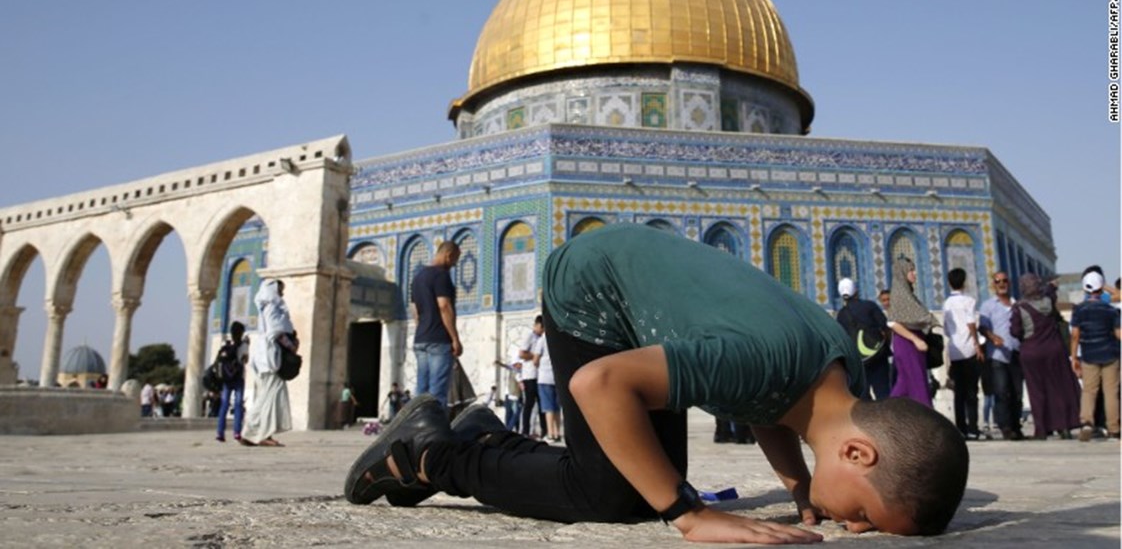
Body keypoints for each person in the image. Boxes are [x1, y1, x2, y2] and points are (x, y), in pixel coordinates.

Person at [345, 224, 968, 541]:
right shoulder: (762, 360)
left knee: (649, 479)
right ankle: (426, 454)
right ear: (858, 452)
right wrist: (689, 518)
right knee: (618, 497)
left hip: (647, 294)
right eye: (863, 513)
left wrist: (801, 485)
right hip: (595, 290)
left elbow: (770, 409)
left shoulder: (835, 375)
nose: (852, 527)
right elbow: (596, 384)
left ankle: (485, 437)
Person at [1008, 274, 1080, 439]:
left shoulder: (1020, 307)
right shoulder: (1048, 302)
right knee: (1058, 389)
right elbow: (1050, 292)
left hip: (1032, 352)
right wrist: (1052, 286)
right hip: (1054, 350)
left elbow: (1015, 331)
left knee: (1037, 391)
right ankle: (1064, 426)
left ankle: (1041, 429)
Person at [241, 279, 296, 447]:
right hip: (270, 357)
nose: (282, 294)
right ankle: (258, 433)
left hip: (265, 356)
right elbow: (275, 331)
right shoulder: (271, 307)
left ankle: (255, 433)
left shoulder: (266, 307)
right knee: (270, 396)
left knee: (267, 396)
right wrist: (291, 345)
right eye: (280, 290)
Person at [1069, 271, 1121, 441]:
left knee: (1089, 391)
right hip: (1110, 354)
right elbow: (1118, 333)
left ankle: (1086, 422)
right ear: (1101, 288)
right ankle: (1114, 428)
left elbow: (1075, 335)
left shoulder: (1079, 310)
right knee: (1111, 392)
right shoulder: (1111, 310)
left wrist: (1074, 357)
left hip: (1089, 354)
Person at [411, 241, 463, 407]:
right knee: (437, 394)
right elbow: (444, 306)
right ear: (448, 255)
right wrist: (455, 338)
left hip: (421, 339)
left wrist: (423, 329)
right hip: (438, 340)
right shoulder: (441, 275)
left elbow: (415, 311)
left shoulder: (418, 277)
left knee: (421, 393)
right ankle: (435, 432)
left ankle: (419, 430)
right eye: (455, 259)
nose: (454, 264)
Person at [978, 271, 1025, 441]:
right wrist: (992, 337)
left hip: (1016, 352)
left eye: (1005, 280)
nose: (1002, 284)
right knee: (1002, 391)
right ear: (994, 284)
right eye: (998, 281)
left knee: (1017, 392)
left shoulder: (1017, 304)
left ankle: (1016, 426)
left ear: (1009, 283)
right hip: (997, 354)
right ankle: (1005, 427)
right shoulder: (988, 305)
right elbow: (982, 327)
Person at [888, 258, 939, 407]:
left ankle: (885, 415)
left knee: (904, 385)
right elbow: (892, 322)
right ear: (903, 272)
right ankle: (928, 420)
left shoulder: (907, 294)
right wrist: (915, 339)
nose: (914, 273)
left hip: (912, 343)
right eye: (911, 270)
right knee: (918, 385)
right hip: (908, 344)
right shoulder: (899, 294)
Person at [942, 269, 983, 440]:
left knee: (958, 393)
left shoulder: (946, 304)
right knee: (971, 392)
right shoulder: (969, 301)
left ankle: (961, 428)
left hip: (954, 350)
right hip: (969, 350)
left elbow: (946, 328)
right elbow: (971, 323)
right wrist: (977, 344)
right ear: (964, 282)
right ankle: (973, 428)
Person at [835, 277, 892, 400]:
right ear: (856, 291)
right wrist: (885, 346)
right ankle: (886, 419)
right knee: (883, 393)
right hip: (877, 356)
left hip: (858, 361)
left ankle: (870, 419)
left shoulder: (841, 315)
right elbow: (885, 327)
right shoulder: (869, 306)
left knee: (863, 396)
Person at [216, 321, 249, 442]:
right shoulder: (243, 345)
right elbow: (245, 360)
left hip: (226, 379)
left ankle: (220, 432)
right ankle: (237, 432)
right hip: (238, 378)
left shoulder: (226, 344)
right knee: (238, 404)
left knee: (224, 405)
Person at [532, 321, 562, 442]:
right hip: (556, 378)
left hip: (545, 377)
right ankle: (557, 433)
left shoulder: (542, 340)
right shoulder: (558, 339)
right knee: (557, 408)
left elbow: (535, 359)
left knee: (548, 408)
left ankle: (550, 434)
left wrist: (539, 365)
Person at [518, 317, 545, 437]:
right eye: (542, 328)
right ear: (538, 325)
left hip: (539, 375)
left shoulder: (541, 338)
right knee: (529, 403)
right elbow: (522, 354)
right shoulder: (530, 336)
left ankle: (544, 430)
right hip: (529, 375)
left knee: (541, 403)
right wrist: (536, 356)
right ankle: (525, 431)